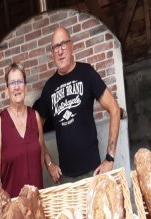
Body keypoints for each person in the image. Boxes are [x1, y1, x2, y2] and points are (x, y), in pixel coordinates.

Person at [37, 27, 121, 183]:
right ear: (52, 53)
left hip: (93, 172)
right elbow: (35, 129)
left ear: (71, 45)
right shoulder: (49, 88)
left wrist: (110, 157)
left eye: (63, 44)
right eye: (56, 47)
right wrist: (49, 164)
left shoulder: (87, 73)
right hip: (66, 177)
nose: (60, 51)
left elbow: (115, 110)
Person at [0, 62, 50, 198]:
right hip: (13, 207)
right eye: (12, 83)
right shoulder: (1, 122)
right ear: (6, 90)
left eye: (20, 81)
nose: (16, 87)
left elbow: (40, 158)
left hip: (36, 201)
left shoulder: (35, 117)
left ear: (25, 87)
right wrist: (3, 205)